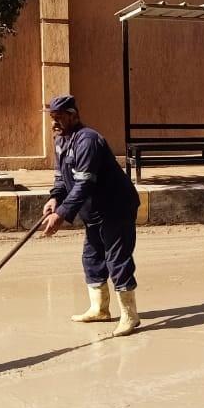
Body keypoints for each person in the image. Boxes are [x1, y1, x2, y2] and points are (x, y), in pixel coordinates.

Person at [40, 94, 141, 337]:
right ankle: (100, 309)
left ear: (73, 116)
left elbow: (84, 183)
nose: (54, 123)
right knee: (92, 257)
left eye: (58, 118)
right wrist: (55, 198)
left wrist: (62, 214)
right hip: (94, 211)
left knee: (117, 259)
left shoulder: (88, 141)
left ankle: (130, 315)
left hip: (115, 207)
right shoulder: (61, 141)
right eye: (52, 118)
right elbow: (61, 178)